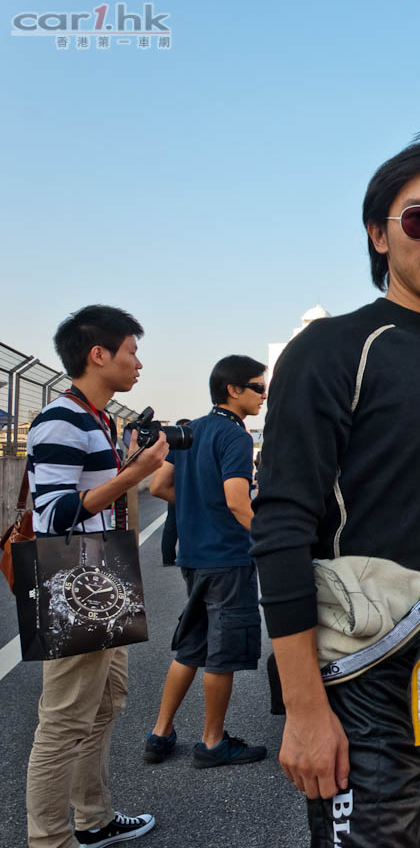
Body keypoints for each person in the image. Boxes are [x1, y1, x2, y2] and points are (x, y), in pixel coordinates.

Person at [251, 131, 420, 847]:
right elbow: (280, 528)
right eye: (419, 218)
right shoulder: (334, 348)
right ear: (378, 234)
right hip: (362, 682)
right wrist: (305, 710)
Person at [25, 305, 168, 848]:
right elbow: (55, 514)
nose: (138, 363)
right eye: (132, 351)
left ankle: (94, 818)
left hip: (105, 569)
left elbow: (96, 500)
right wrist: (135, 473)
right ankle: (50, 840)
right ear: (99, 354)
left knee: (108, 702)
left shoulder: (99, 419)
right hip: (74, 576)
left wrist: (129, 464)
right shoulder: (61, 419)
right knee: (63, 721)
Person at [144, 357, 268, 768]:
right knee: (222, 652)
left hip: (193, 556)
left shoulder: (190, 430)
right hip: (227, 557)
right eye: (258, 387)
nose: (264, 395)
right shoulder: (236, 435)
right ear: (234, 390)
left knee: (190, 647)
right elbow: (237, 501)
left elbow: (158, 485)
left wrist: (198, 504)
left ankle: (160, 733)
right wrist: (272, 542)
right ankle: (212, 742)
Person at [158, 419, 190, 567]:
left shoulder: (171, 449)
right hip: (187, 491)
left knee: (171, 524)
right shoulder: (190, 448)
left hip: (174, 490)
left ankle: (167, 558)